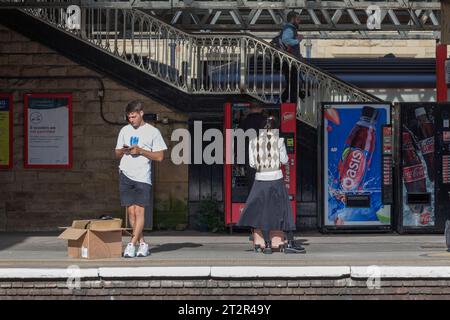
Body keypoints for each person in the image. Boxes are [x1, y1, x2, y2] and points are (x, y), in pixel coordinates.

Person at [236, 116, 306, 254]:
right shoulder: (279, 141)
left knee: (263, 212)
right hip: (276, 179)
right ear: (276, 129)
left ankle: (267, 245)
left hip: (260, 180)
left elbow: (251, 164)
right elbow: (285, 159)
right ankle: (290, 242)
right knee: (284, 210)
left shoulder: (253, 142)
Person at [115, 100, 167, 258]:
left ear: (141, 113)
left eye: (134, 117)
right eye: (129, 117)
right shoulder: (124, 130)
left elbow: (159, 157)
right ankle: (142, 243)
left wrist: (141, 151)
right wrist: (124, 150)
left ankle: (131, 244)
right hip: (125, 173)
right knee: (131, 213)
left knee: (139, 211)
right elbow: (116, 153)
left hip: (142, 176)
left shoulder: (153, 132)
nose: (131, 120)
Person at [238, 103, 267, 194]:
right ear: (261, 109)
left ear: (250, 109)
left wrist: (240, 163)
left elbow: (239, 142)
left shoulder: (244, 123)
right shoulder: (267, 122)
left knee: (252, 185)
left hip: (249, 159)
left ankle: (253, 205)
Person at [280, 11, 305, 104]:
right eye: (298, 19)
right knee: (293, 84)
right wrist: (297, 40)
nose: (299, 21)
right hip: (290, 61)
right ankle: (291, 103)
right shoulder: (289, 29)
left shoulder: (290, 29)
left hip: (290, 61)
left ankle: (286, 98)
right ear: (293, 19)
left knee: (292, 84)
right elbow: (285, 40)